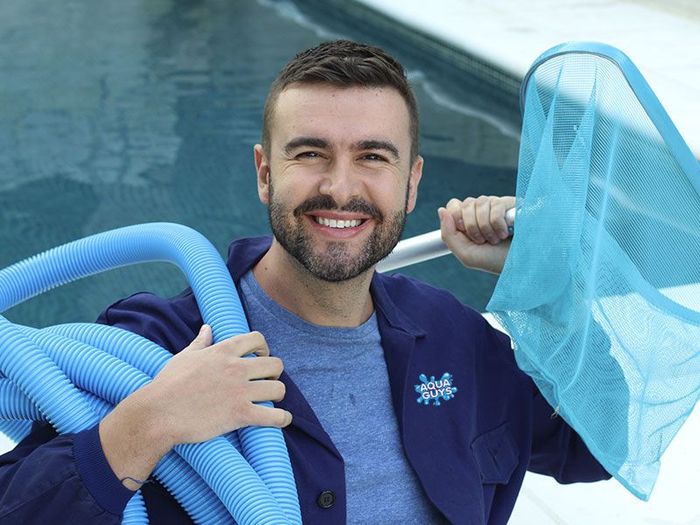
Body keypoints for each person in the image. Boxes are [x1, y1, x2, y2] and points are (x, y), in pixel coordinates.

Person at [0, 40, 610, 524]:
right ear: (265, 173)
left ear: (413, 182)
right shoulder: (156, 350)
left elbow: (595, 447)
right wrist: (148, 422)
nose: (341, 187)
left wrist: (546, 288)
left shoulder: (457, 339)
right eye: (310, 153)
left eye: (373, 156)